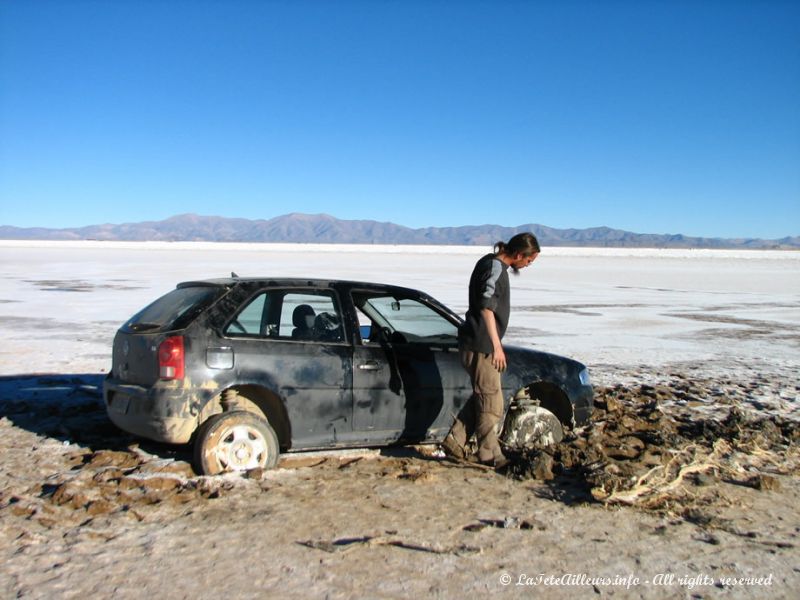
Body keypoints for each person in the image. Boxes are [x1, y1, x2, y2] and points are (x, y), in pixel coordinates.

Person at [441, 232, 540, 468]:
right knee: (492, 402)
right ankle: (489, 454)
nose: (527, 265)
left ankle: (456, 440)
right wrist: (496, 346)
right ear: (518, 255)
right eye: (528, 261)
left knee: (484, 395)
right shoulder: (494, 267)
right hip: (481, 344)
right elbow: (486, 307)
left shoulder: (490, 264)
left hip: (478, 342)